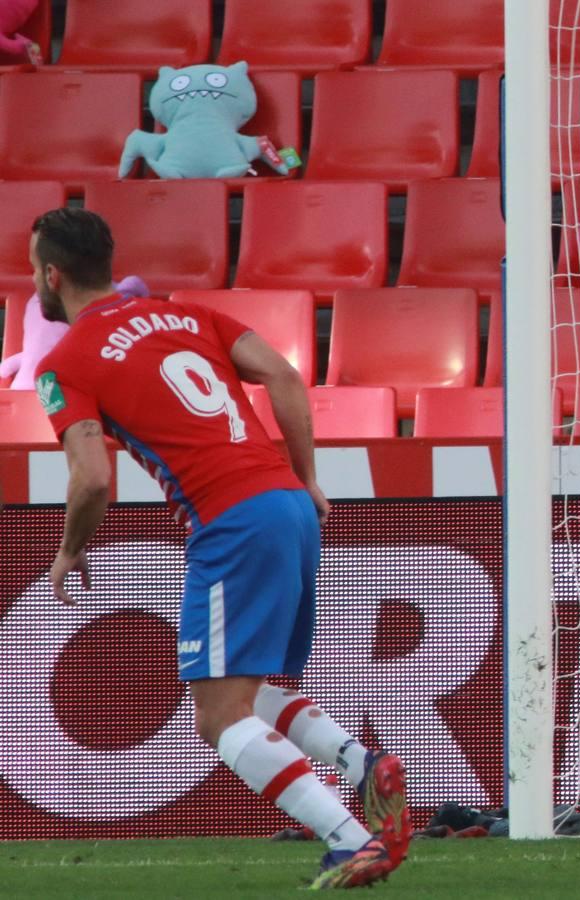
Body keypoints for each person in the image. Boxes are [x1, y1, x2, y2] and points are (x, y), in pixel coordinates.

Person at [31, 208, 409, 888]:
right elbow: (289, 378)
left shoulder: (64, 363)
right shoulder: (186, 315)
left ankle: (350, 837)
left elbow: (92, 477)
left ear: (52, 275)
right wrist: (306, 477)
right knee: (246, 691)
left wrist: (68, 549)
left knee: (216, 717)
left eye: (36, 268)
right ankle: (360, 767)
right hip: (287, 506)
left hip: (230, 520)